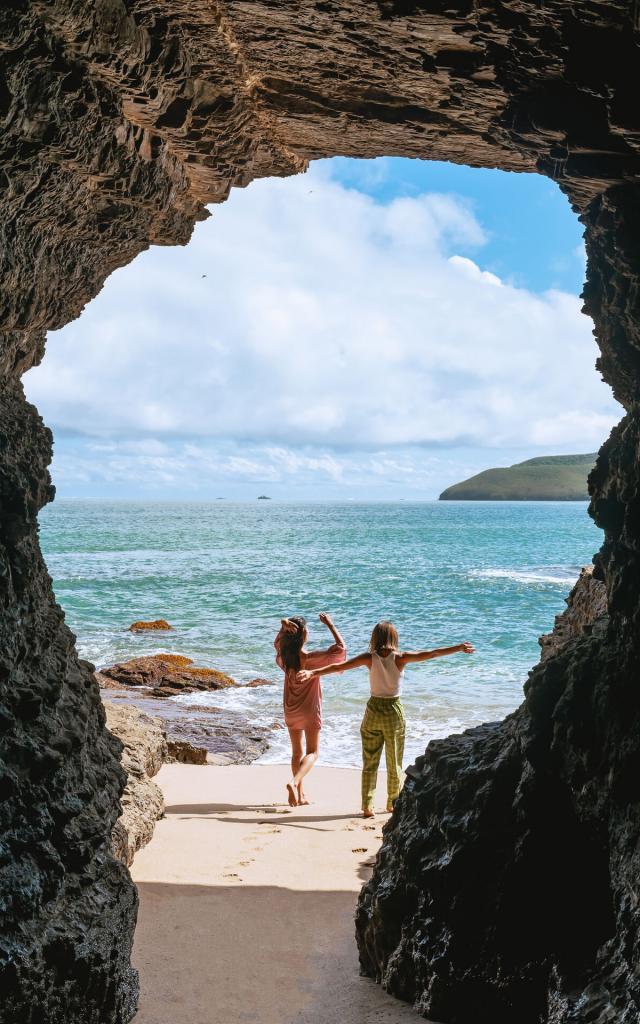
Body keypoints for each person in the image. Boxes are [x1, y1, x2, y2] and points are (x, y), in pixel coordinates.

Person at [297, 620, 474, 817]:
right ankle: (392, 803)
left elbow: (341, 666)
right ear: (394, 638)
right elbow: (432, 653)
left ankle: (367, 806)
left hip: (373, 710)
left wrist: (313, 672)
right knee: (394, 760)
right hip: (392, 710)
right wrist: (458, 648)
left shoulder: (369, 658)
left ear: (375, 637)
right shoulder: (400, 658)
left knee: (370, 761)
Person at [274, 612, 346, 807]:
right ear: (304, 633)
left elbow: (278, 643)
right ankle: (294, 782)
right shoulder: (311, 659)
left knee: (296, 752)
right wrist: (330, 624)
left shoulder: (285, 657)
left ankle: (300, 794)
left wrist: (283, 627)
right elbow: (340, 650)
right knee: (313, 752)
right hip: (309, 710)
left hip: (290, 708)